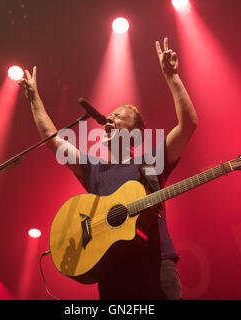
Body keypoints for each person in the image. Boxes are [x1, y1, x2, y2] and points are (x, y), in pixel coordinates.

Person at [18, 37, 197, 299]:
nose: (110, 118)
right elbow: (53, 140)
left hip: (156, 264)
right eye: (109, 116)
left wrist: (172, 77)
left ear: (135, 133)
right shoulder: (93, 168)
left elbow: (188, 124)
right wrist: (34, 98)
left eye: (119, 116)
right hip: (110, 269)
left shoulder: (150, 162)